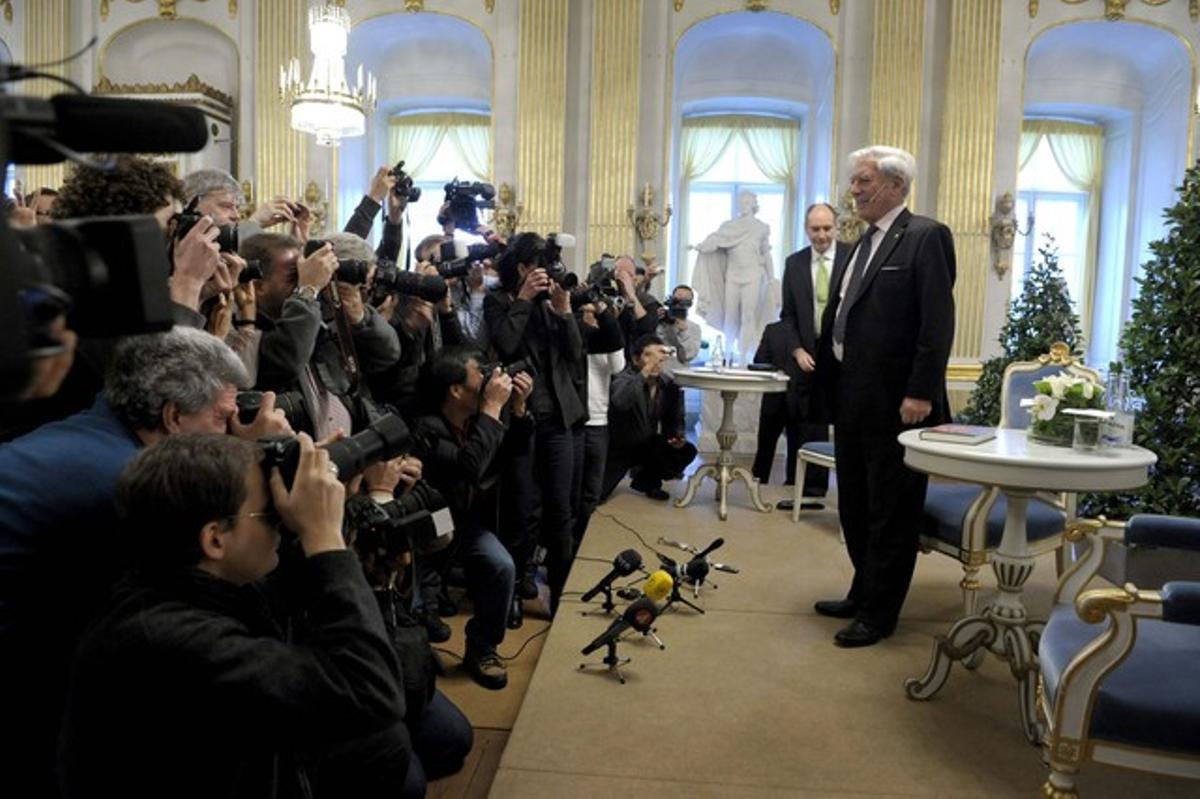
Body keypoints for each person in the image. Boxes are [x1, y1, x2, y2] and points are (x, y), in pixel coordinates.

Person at [0, 327, 290, 797]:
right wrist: (255, 464)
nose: (231, 430)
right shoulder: (121, 482)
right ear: (173, 416)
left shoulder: (100, 427)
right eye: (222, 418)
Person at [58, 433, 411, 798]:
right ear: (214, 539)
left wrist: (326, 510)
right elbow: (370, 690)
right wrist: (323, 537)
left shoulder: (174, 577)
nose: (279, 522)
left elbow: (281, 594)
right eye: (269, 514)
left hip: (227, 762)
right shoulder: (167, 641)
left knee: (386, 745)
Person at [813, 146, 956, 648]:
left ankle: (880, 613)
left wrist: (920, 390)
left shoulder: (925, 237)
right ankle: (862, 588)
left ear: (895, 185)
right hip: (852, 395)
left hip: (899, 402)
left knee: (890, 510)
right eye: (853, 181)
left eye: (863, 181)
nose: (853, 190)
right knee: (853, 501)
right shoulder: (858, 244)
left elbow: (936, 324)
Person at [414, 347, 532, 689]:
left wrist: (519, 411)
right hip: (426, 528)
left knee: (501, 566)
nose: (487, 379)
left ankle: (482, 648)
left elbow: (512, 456)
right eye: (478, 374)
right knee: (415, 601)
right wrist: (493, 409)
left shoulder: (475, 421)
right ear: (455, 390)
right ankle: (414, 653)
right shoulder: (427, 428)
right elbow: (470, 467)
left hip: (464, 523)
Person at [484, 232, 584, 615]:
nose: (542, 274)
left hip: (559, 418)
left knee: (561, 511)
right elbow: (506, 344)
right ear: (521, 267)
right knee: (521, 509)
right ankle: (509, 596)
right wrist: (524, 299)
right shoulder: (499, 301)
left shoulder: (552, 302)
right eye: (534, 267)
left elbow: (575, 356)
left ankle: (559, 596)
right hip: (519, 417)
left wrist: (565, 312)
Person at [766, 203, 846, 504]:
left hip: (842, 355)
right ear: (806, 229)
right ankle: (805, 490)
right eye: (816, 229)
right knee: (803, 422)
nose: (822, 235)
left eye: (827, 228)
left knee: (846, 422)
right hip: (805, 353)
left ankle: (849, 490)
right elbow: (787, 315)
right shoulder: (794, 263)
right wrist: (797, 349)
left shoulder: (853, 257)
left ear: (836, 227)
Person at [602, 334, 697, 501]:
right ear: (635, 359)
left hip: (646, 443)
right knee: (597, 496)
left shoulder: (667, 384)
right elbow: (620, 402)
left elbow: (673, 419)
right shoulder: (625, 377)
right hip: (619, 447)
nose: (655, 362)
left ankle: (647, 481)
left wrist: (677, 438)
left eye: (658, 357)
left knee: (687, 450)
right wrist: (645, 372)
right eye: (648, 356)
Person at [691, 190, 774, 365]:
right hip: (733, 275)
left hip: (753, 276)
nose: (743, 206)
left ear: (753, 205)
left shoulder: (761, 228)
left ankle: (745, 356)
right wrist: (704, 246)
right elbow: (716, 240)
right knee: (730, 316)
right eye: (741, 203)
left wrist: (772, 279)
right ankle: (728, 354)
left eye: (746, 203)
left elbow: (766, 254)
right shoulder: (729, 227)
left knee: (748, 316)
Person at [655, 283, 701, 377]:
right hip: (657, 372)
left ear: (690, 304)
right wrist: (654, 320)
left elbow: (687, 356)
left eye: (684, 301)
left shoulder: (694, 328)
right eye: (677, 300)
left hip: (679, 376)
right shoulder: (661, 320)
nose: (679, 305)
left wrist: (683, 332)